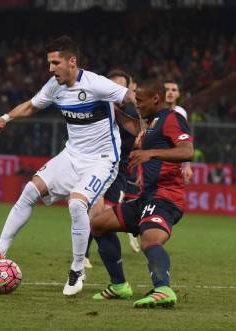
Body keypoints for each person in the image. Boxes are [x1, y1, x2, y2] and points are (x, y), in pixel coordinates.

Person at [0, 36, 136, 296]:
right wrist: (5, 117)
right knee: (30, 190)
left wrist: (150, 123)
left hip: (102, 161)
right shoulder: (54, 85)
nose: (50, 69)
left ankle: (77, 269)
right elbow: (31, 106)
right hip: (71, 156)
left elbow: (131, 96)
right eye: (49, 63)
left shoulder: (97, 84)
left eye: (55, 62)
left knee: (76, 203)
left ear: (72, 61)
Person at [90, 78, 193, 308]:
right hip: (146, 198)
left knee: (150, 240)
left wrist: (150, 154)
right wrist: (110, 107)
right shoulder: (152, 123)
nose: (136, 105)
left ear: (156, 98)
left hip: (166, 197)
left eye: (139, 100)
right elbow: (133, 126)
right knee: (98, 224)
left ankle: (163, 289)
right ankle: (118, 285)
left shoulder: (172, 118)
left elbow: (187, 151)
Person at [84, 70, 140, 269]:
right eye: (112, 84)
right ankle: (83, 255)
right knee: (96, 211)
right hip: (96, 166)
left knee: (107, 215)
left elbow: (140, 138)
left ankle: (130, 233)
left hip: (120, 171)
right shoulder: (93, 108)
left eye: (120, 85)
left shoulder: (132, 115)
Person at [165, 81, 193, 184]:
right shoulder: (155, 111)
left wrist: (187, 166)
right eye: (167, 90)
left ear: (178, 94)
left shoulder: (181, 112)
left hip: (173, 161)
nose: (170, 92)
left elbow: (185, 139)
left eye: (174, 90)